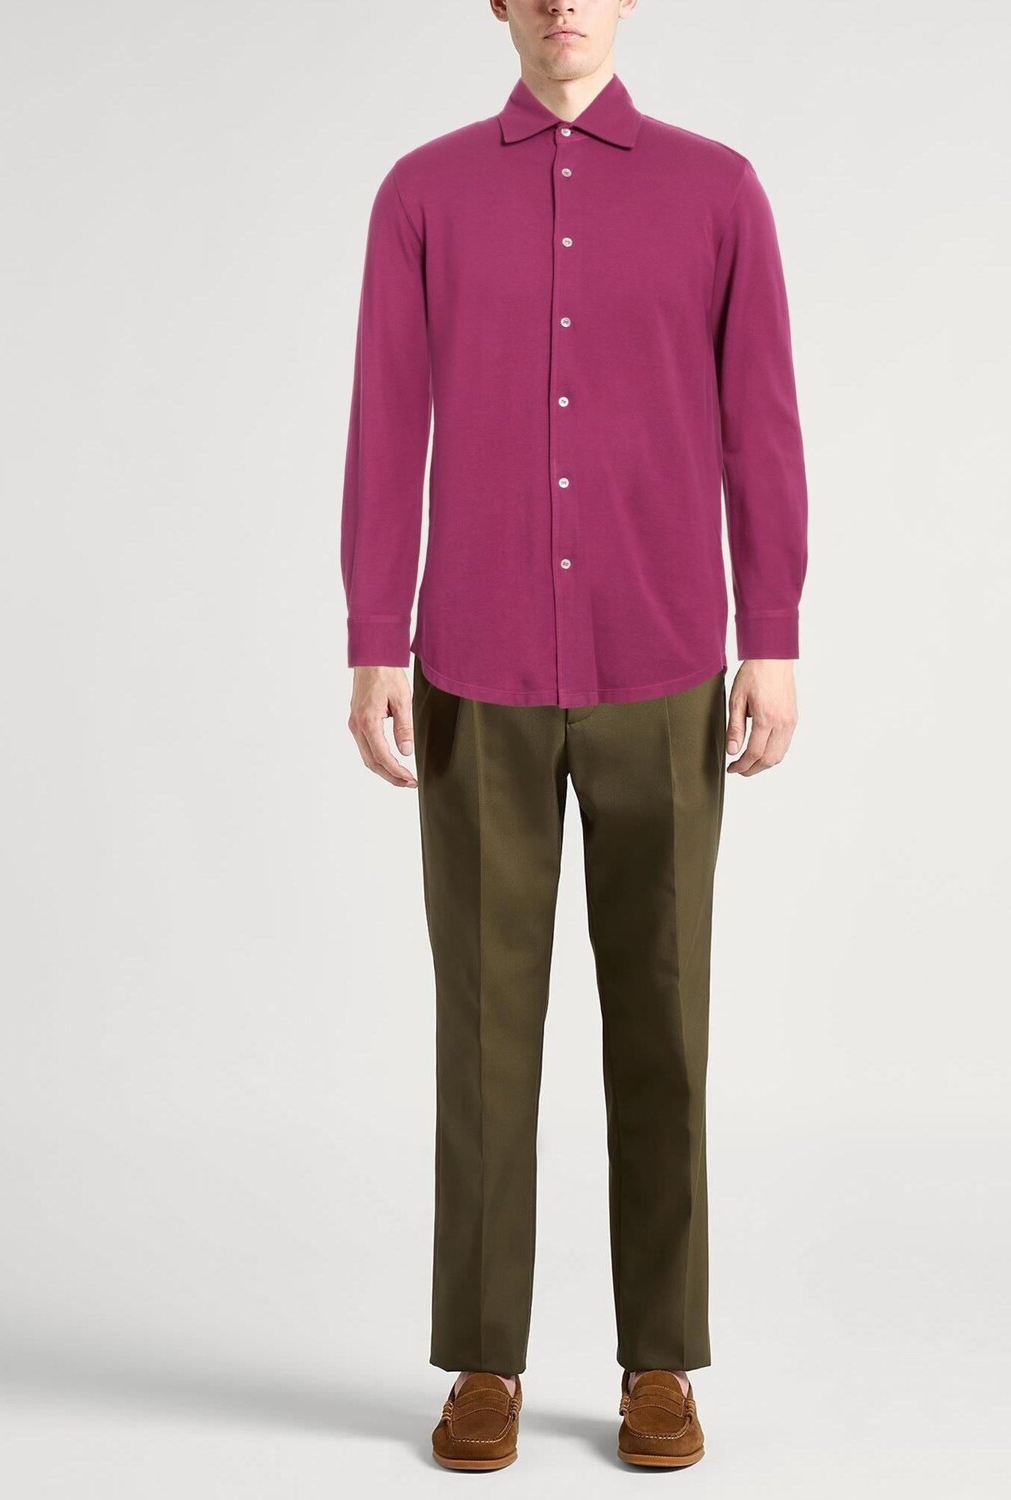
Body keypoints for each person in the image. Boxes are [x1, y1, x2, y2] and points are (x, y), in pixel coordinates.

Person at [340, 0, 808, 1472]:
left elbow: (760, 421)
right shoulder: (422, 194)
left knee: (662, 1022)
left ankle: (660, 1361)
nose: (561, 5)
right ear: (496, 3)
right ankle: (482, 1360)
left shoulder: (716, 190)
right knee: (483, 1032)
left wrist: (773, 633)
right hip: (472, 666)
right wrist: (374, 637)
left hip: (660, 659)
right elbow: (386, 422)